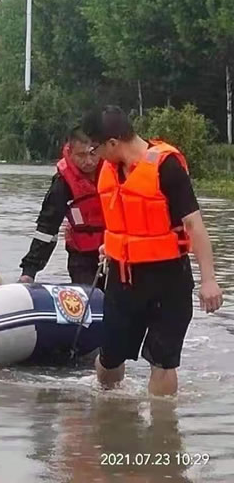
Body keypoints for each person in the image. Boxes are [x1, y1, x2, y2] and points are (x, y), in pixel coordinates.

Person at [81, 106, 223, 396]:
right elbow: (122, 219)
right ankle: (109, 416)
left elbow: (194, 225)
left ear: (113, 143)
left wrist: (209, 280)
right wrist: (113, 245)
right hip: (123, 278)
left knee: (163, 361)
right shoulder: (110, 170)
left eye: (96, 148)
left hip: (168, 280)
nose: (94, 156)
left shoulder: (166, 167)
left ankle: (162, 433)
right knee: (110, 359)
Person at [19, 128, 104, 286]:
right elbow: (47, 229)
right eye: (81, 155)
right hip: (82, 256)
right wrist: (29, 272)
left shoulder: (115, 171)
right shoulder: (62, 184)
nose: (89, 161)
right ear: (70, 152)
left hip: (114, 253)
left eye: (93, 154)